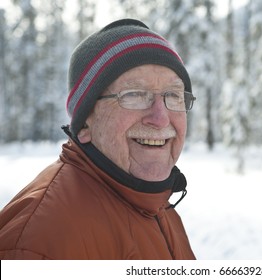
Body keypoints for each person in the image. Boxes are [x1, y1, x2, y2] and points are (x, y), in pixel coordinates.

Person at [0, 19, 196, 260]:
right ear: (84, 124)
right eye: (134, 94)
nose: (161, 118)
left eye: (173, 95)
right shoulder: (40, 241)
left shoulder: (157, 205)